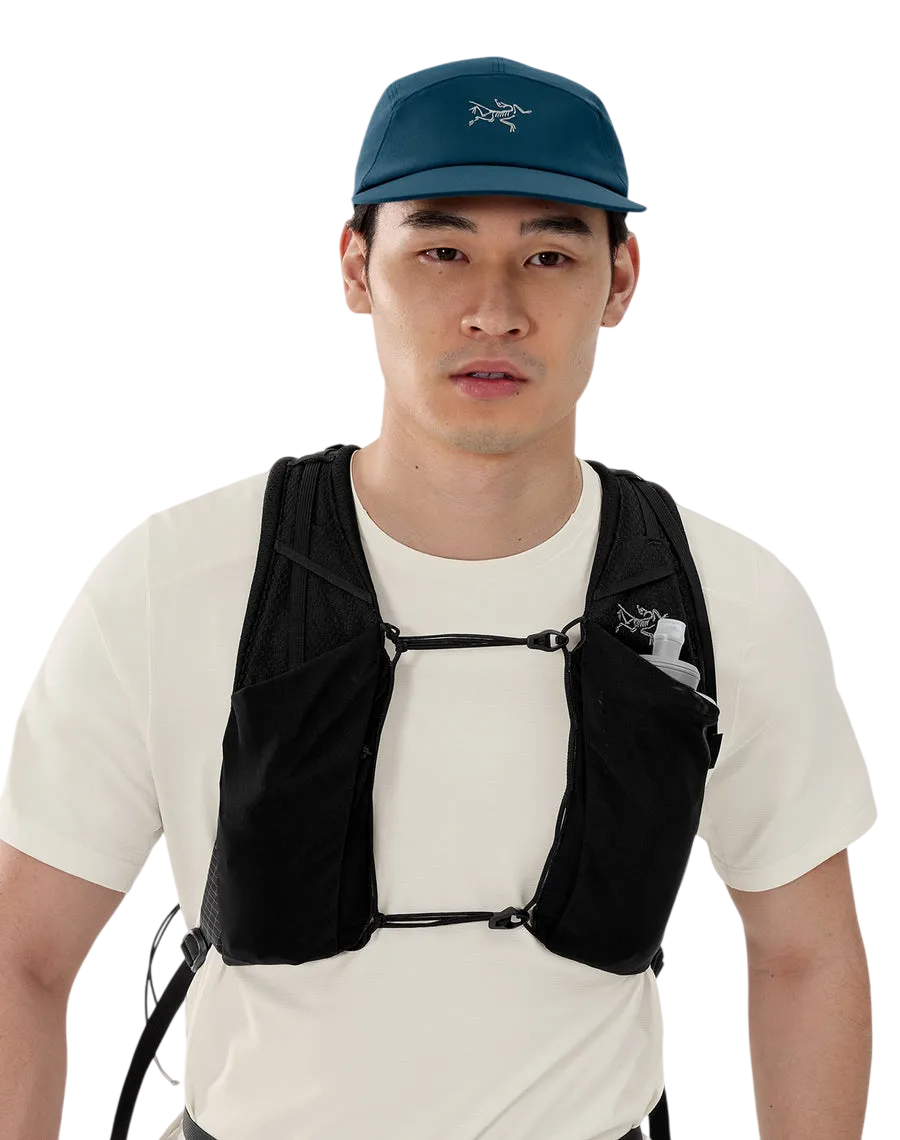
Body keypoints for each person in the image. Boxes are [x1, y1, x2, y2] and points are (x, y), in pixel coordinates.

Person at [0, 56, 876, 1140]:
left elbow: (804, 955)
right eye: (442, 251)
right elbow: (22, 956)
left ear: (620, 280)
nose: (493, 311)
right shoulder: (174, 583)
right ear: (357, 267)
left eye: (549, 255)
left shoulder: (725, 599)